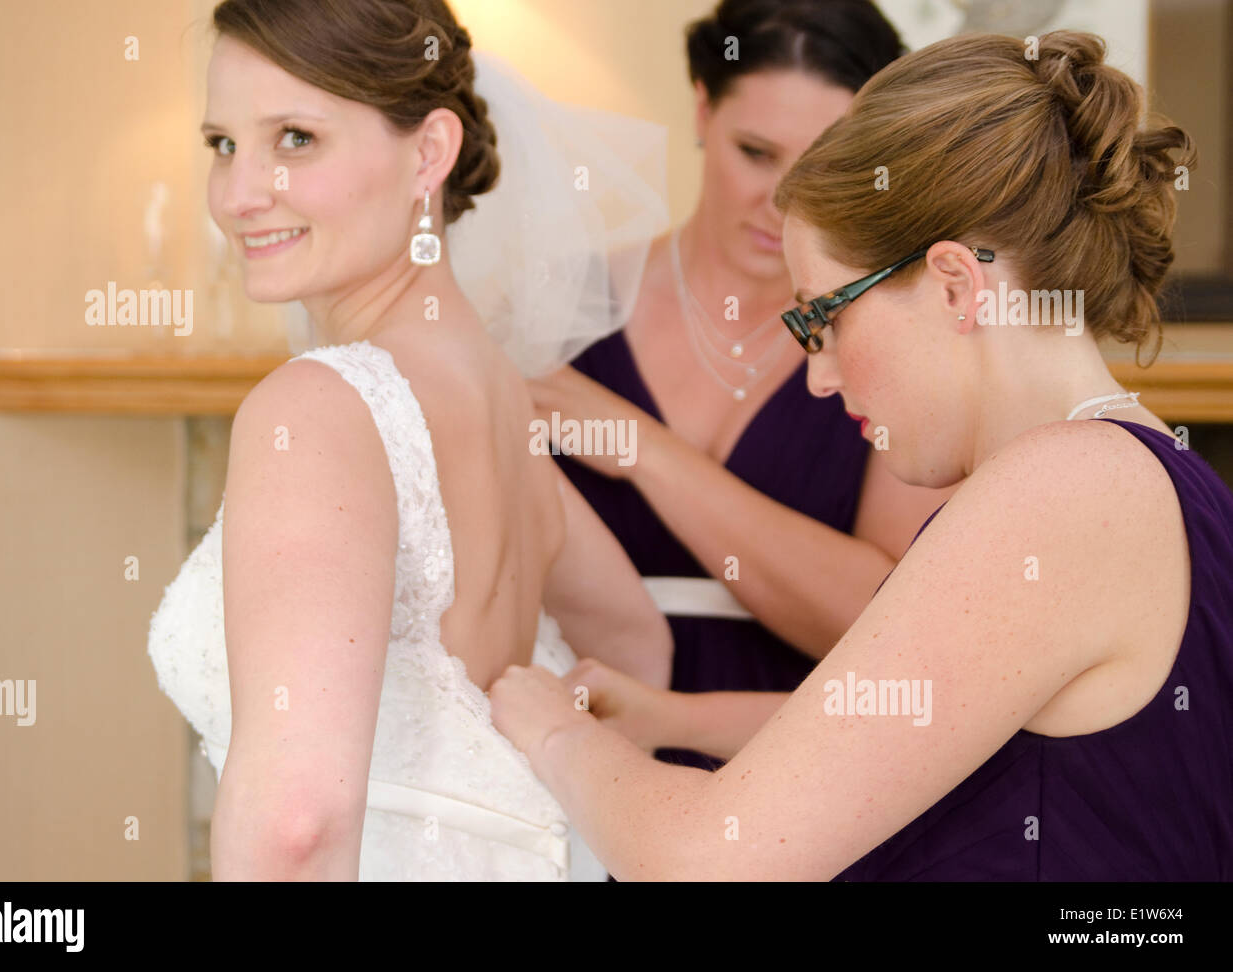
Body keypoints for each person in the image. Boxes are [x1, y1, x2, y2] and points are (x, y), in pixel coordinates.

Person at [490, 30, 1233, 880]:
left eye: (821, 320)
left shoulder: (1061, 490)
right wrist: (673, 720)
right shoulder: (1147, 482)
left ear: (955, 284)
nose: (817, 376)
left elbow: (706, 862)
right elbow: (931, 735)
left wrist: (555, 732)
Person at [147, 0, 671, 881]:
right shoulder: (501, 401)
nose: (237, 194)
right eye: (223, 143)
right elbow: (635, 645)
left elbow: (297, 824)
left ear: (428, 153)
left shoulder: (316, 408)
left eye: (296, 139)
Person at [538, 0, 956, 773]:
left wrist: (645, 453)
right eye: (756, 152)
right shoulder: (555, 311)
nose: (782, 200)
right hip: (578, 759)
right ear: (702, 108)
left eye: (822, 163)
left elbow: (892, 629)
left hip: (808, 770)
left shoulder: (902, 341)